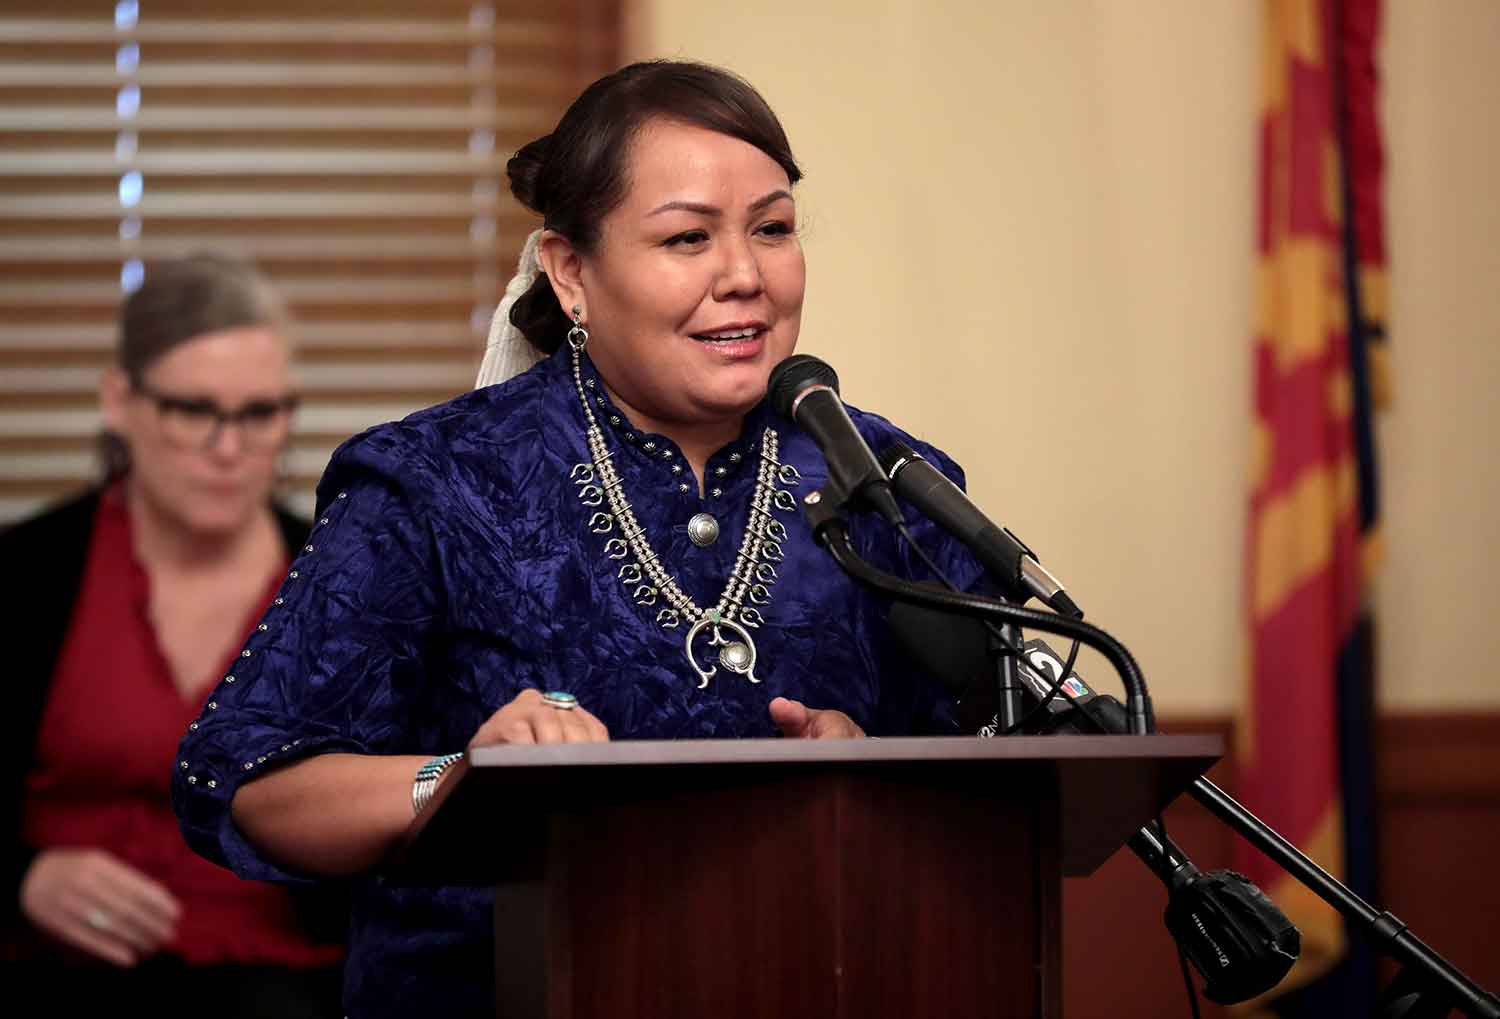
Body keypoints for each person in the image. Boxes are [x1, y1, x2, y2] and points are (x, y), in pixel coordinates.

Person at [172, 61, 987, 1018]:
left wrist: (879, 773)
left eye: (773, 228)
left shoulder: (885, 485)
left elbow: (1009, 766)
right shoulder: (435, 481)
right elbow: (244, 777)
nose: (745, 275)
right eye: (688, 237)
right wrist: (465, 780)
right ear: (571, 274)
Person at [1, 255, 344, 1016]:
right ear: (120, 402)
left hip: (284, 982)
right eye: (195, 409)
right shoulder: (25, 576)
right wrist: (22, 878)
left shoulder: (344, 582)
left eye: (260, 413)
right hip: (51, 969)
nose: (229, 448)